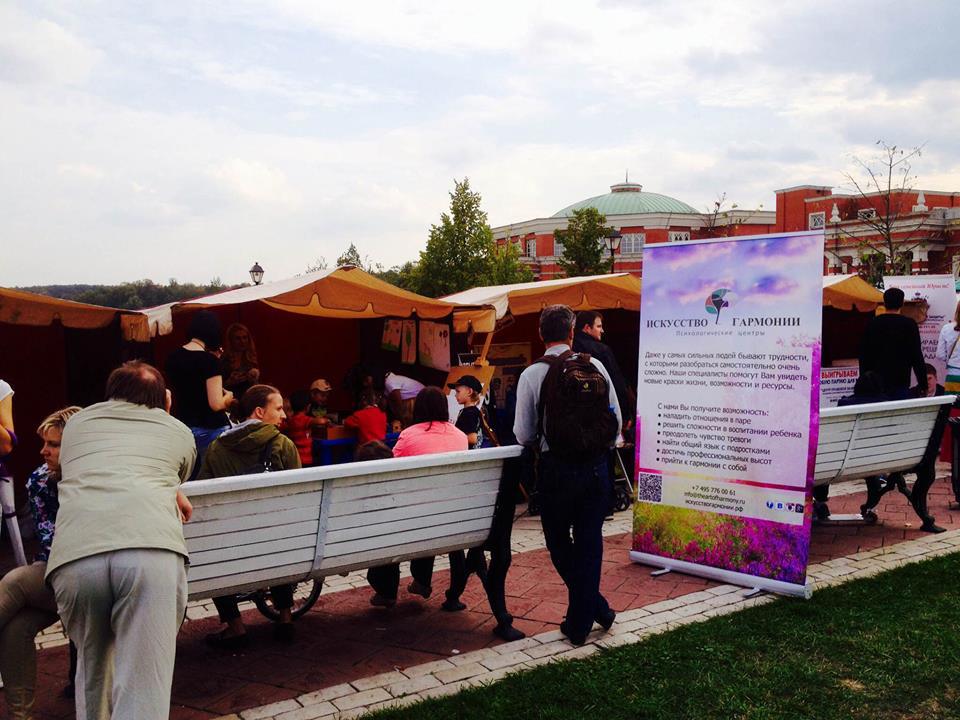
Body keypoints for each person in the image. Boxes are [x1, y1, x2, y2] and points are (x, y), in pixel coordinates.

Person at [47, 362, 196, 720]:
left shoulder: (77, 424)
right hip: (150, 553)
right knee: (144, 681)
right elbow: (174, 474)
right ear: (164, 400)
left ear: (110, 393)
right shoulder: (177, 430)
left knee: (92, 668)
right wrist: (166, 411)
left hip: (77, 558)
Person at [514, 304, 622, 646]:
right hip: (595, 467)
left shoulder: (532, 374)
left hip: (556, 470)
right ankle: (594, 610)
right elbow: (616, 420)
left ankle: (581, 622)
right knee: (590, 540)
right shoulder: (596, 366)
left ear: (540, 334)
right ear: (572, 332)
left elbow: (523, 434)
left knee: (558, 541)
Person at [198, 385, 301, 647]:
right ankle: (285, 617)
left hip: (231, 546)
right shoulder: (283, 445)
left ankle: (235, 627)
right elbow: (300, 498)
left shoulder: (216, 448)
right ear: (259, 412)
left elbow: (202, 497)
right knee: (277, 535)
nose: (284, 415)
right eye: (279, 408)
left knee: (210, 555)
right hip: (276, 544)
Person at [0, 406, 80, 719]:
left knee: (15, 581)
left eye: (54, 444)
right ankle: (21, 716)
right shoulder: (41, 480)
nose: (43, 450)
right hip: (59, 570)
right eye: (44, 443)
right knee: (16, 627)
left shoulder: (96, 479)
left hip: (96, 576)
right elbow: (52, 544)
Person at [367, 387, 468, 607]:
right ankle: (423, 581)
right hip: (454, 516)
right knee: (431, 511)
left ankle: (386, 591)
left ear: (418, 409)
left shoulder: (409, 435)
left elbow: (390, 472)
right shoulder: (460, 437)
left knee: (393, 520)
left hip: (415, 517)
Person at [813, 371, 889, 521]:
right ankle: (870, 506)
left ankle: (820, 502)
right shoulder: (888, 404)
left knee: (823, 458)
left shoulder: (845, 404)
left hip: (843, 461)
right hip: (877, 458)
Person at [165, 310, 234, 477]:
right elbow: (216, 404)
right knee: (218, 478)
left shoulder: (172, 358)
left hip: (184, 427)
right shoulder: (210, 362)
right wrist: (229, 397)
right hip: (212, 429)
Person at [859, 287, 927, 399]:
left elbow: (863, 355)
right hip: (901, 381)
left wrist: (863, 379)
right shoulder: (909, 325)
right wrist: (923, 384)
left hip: (875, 383)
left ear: (884, 303)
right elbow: (917, 356)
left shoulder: (873, 323)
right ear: (902, 303)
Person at [572, 310, 632, 430]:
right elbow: (616, 383)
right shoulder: (602, 350)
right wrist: (625, 414)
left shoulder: (569, 349)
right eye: (599, 326)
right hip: (599, 415)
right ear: (587, 328)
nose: (602, 330)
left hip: (573, 416)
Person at [221, 323, 260, 398]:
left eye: (245, 337)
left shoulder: (250, 357)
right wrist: (230, 382)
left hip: (248, 398)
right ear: (231, 340)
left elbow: (255, 385)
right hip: (230, 399)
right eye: (238, 338)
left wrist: (254, 378)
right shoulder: (224, 359)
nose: (242, 341)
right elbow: (218, 387)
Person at [449, 375, 484, 449]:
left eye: (458, 391)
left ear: (469, 392)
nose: (455, 395)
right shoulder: (471, 411)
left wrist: (452, 436)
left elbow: (472, 439)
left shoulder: (470, 413)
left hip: (468, 453)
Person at [283, 389, 314, 466]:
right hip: (305, 460)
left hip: (293, 458)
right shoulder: (303, 419)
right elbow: (321, 421)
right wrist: (327, 421)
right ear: (308, 407)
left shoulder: (290, 421)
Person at [936, 301, 960, 393]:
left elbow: (940, 354)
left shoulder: (947, 328)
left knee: (954, 402)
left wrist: (951, 360)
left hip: (953, 374)